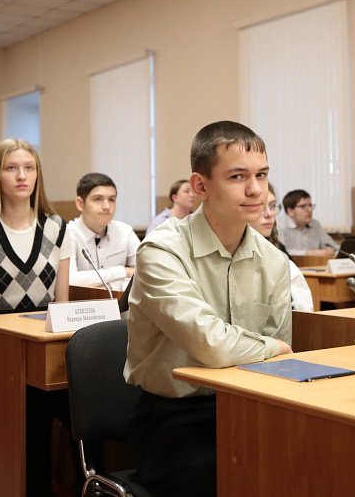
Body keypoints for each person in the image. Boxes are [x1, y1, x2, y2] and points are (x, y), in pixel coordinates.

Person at [124, 120, 293, 496]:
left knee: (316, 460)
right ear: (200, 186)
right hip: (175, 417)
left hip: (249, 405)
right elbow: (211, 344)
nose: (256, 190)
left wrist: (272, 350)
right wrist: (269, 348)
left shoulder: (273, 260)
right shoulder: (161, 250)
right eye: (237, 176)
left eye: (262, 175)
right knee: (221, 478)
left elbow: (278, 363)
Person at [0, 138, 72, 496]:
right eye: (11, 168)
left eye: (29, 168)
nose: (22, 176)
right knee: (32, 406)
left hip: (44, 349)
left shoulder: (58, 229)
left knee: (85, 397)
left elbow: (62, 309)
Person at [68, 172, 139, 289]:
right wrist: (122, 272)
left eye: (111, 199)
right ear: (80, 204)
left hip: (119, 300)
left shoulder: (125, 232)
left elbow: (146, 272)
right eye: (98, 199)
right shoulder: (68, 233)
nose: (106, 206)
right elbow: (69, 280)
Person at [251, 183, 314, 311]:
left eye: (273, 206)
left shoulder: (282, 259)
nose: (269, 214)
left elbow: (303, 311)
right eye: (260, 206)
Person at [278, 189, 337, 256]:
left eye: (310, 205)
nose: (310, 210)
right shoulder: (280, 226)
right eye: (303, 206)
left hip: (314, 262)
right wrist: (308, 253)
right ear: (290, 211)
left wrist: (331, 250)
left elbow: (334, 246)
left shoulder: (315, 224)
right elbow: (280, 252)